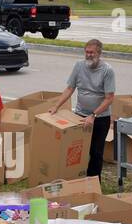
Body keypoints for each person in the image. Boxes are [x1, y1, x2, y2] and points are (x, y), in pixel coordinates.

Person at [50, 38, 116, 178]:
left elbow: (109, 98)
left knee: (96, 151)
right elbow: (70, 88)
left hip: (100, 119)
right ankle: (76, 177)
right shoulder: (79, 66)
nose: (88, 55)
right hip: (79, 116)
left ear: (99, 53)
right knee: (78, 149)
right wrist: (56, 106)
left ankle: (93, 181)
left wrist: (93, 115)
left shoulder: (107, 70)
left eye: (92, 52)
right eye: (86, 52)